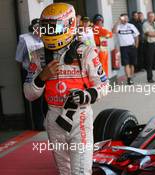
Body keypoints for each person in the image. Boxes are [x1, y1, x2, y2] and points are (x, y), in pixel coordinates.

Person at [24, 3, 109, 175]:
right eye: (46, 28)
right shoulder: (38, 56)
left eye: (54, 27)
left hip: (80, 117)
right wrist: (42, 77)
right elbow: (29, 94)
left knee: (81, 171)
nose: (50, 32)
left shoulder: (85, 52)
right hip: (54, 118)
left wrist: (87, 94)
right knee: (64, 171)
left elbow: (104, 85)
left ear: (69, 25)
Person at [15, 18, 46, 130]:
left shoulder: (45, 38)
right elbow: (18, 59)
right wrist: (26, 74)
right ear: (32, 29)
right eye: (36, 28)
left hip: (44, 71)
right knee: (36, 98)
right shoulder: (25, 40)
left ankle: (48, 122)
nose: (39, 30)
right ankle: (39, 124)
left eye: (41, 28)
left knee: (46, 97)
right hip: (31, 72)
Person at [112, 13, 139, 85]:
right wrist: (118, 21)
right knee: (126, 64)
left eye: (126, 18)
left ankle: (131, 77)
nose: (125, 19)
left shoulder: (131, 26)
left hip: (132, 47)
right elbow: (113, 31)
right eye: (124, 18)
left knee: (132, 64)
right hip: (123, 48)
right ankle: (129, 78)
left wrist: (136, 45)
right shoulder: (118, 26)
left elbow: (136, 36)